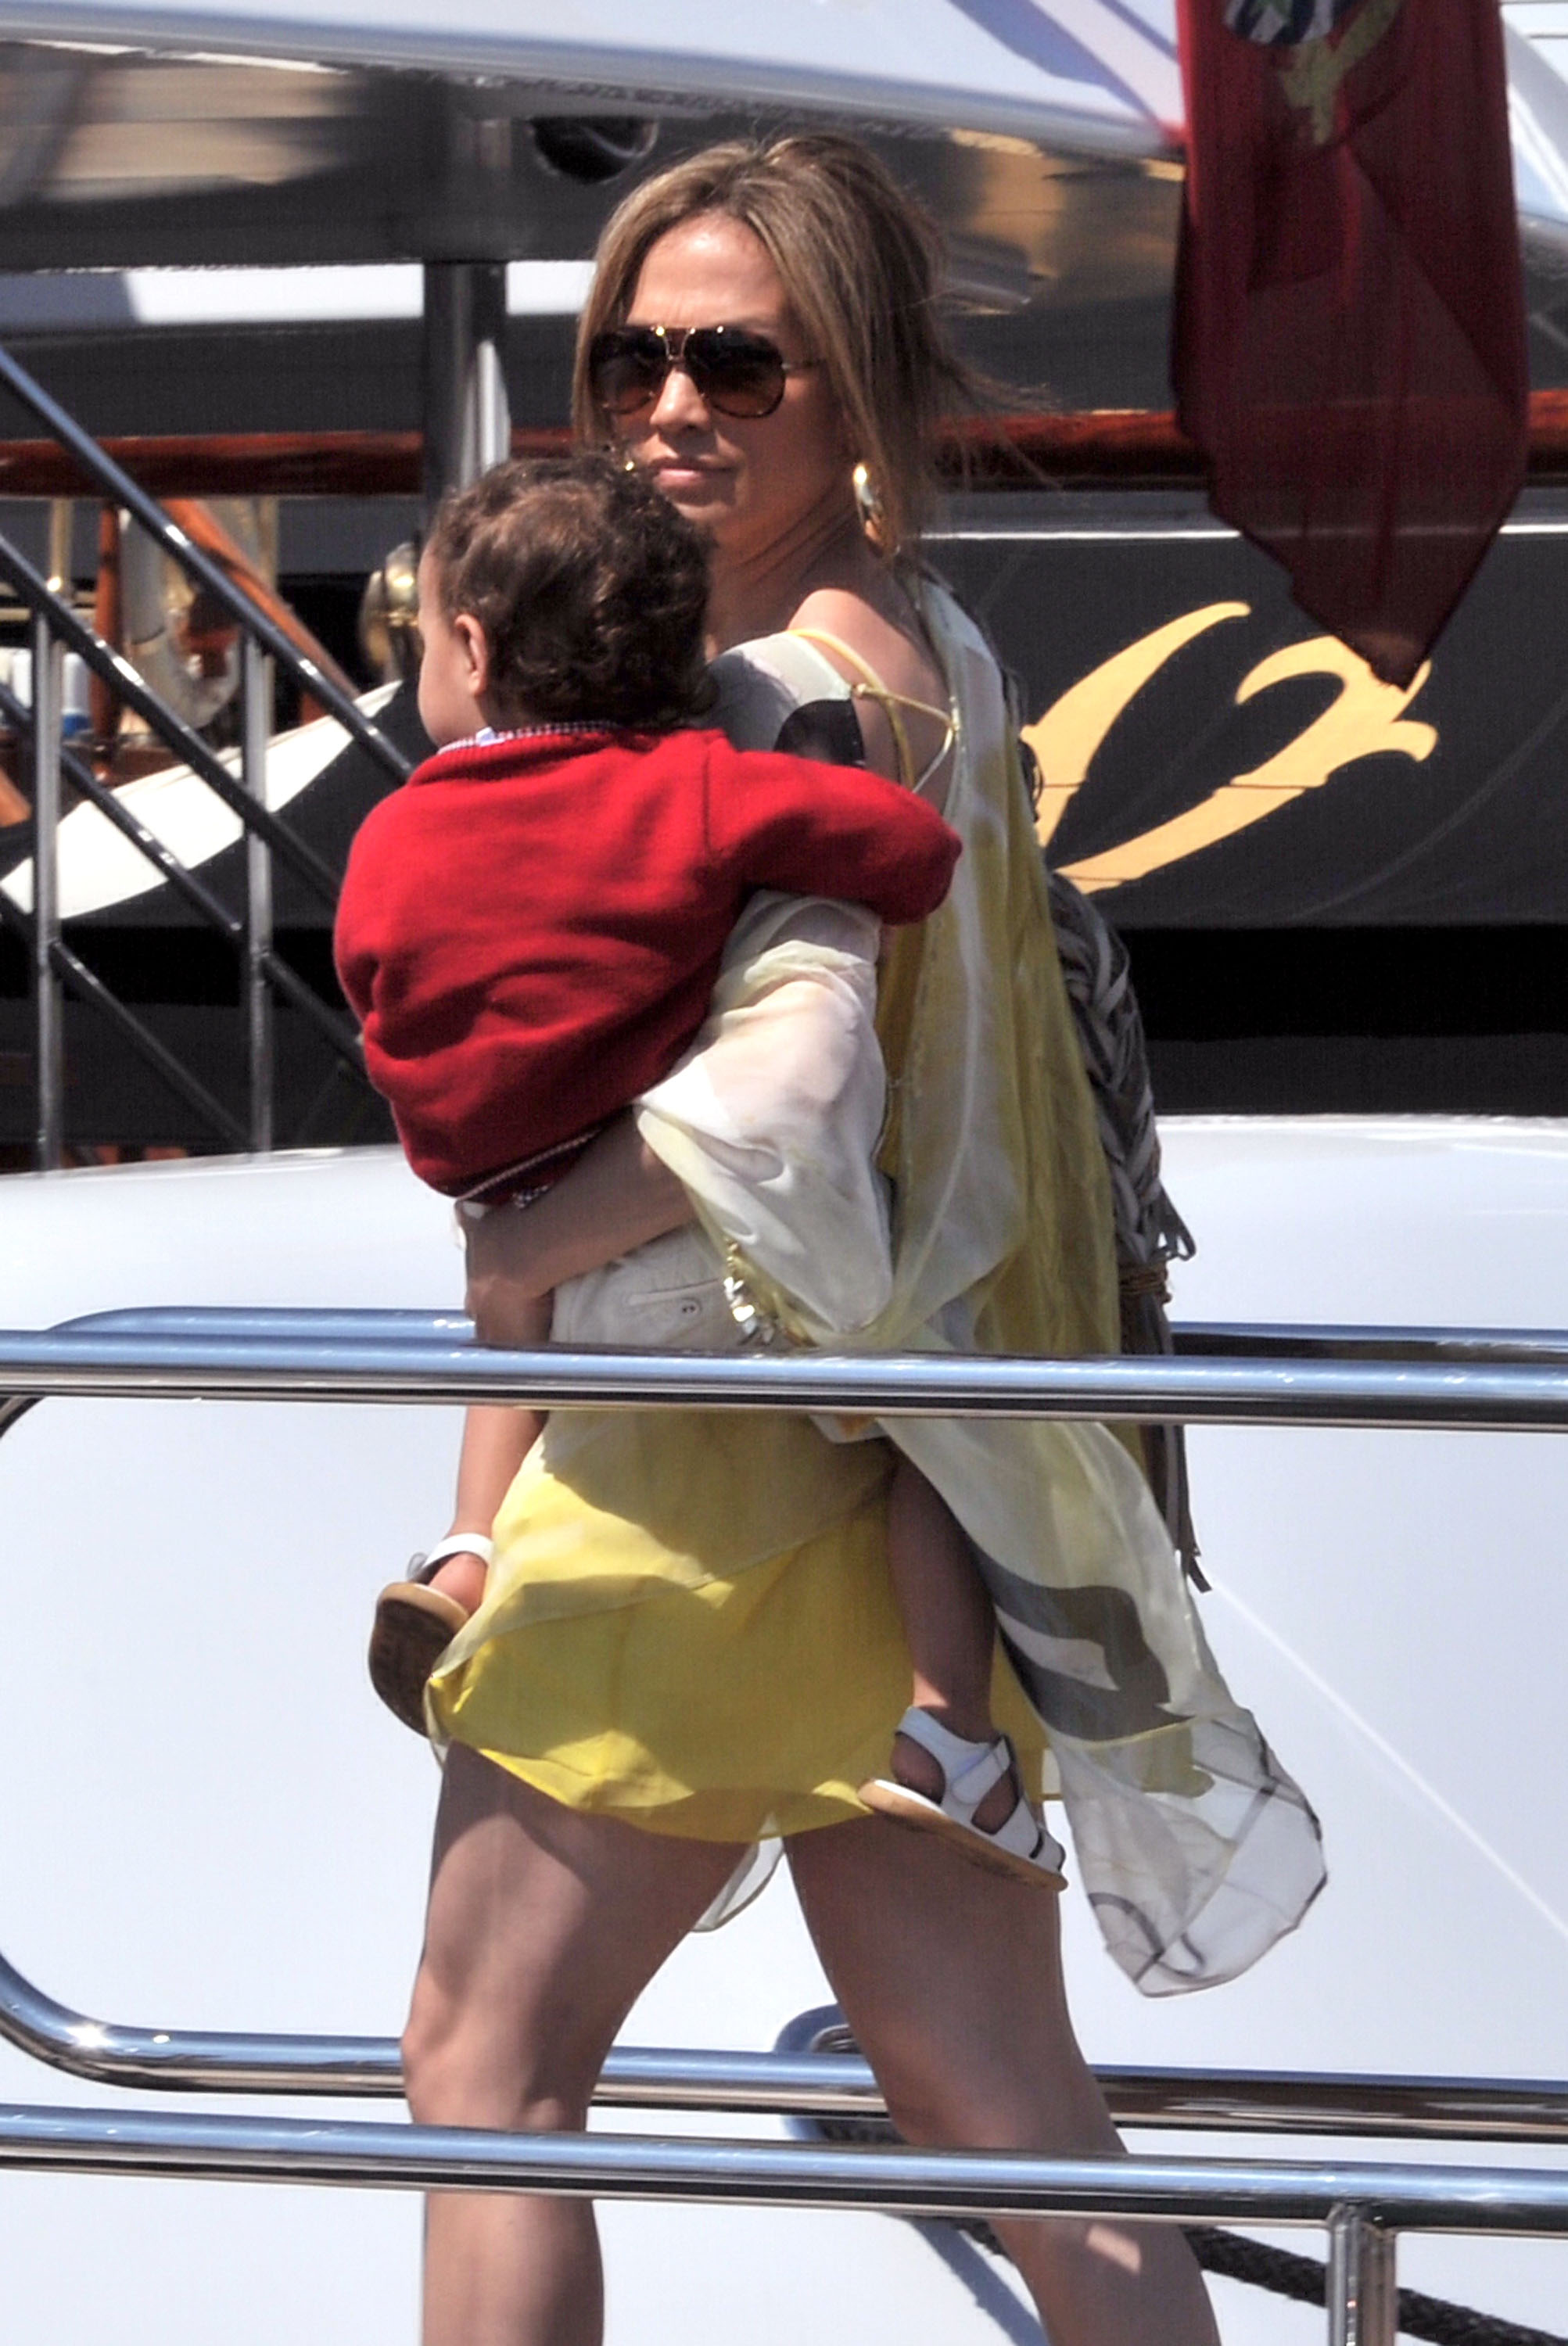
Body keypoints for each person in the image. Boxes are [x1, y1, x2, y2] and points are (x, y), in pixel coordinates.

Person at [403, 131, 1319, 2346]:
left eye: (738, 358)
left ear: (860, 383)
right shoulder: (932, 641)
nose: (668, 406)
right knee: (995, 2097)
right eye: (630, 353)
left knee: (480, 2072)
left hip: (718, 1469)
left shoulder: (765, 699)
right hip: (922, 1485)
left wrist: (515, 1245)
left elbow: (769, 1118)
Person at [338, 454, 1063, 1886]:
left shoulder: (396, 824)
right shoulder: (706, 790)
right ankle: (950, 1733)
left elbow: (373, 971)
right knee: (934, 1407)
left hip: (506, 1195)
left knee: (509, 1313)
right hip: (694, 1252)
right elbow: (912, 856)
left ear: (472, 651)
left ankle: (467, 1548)